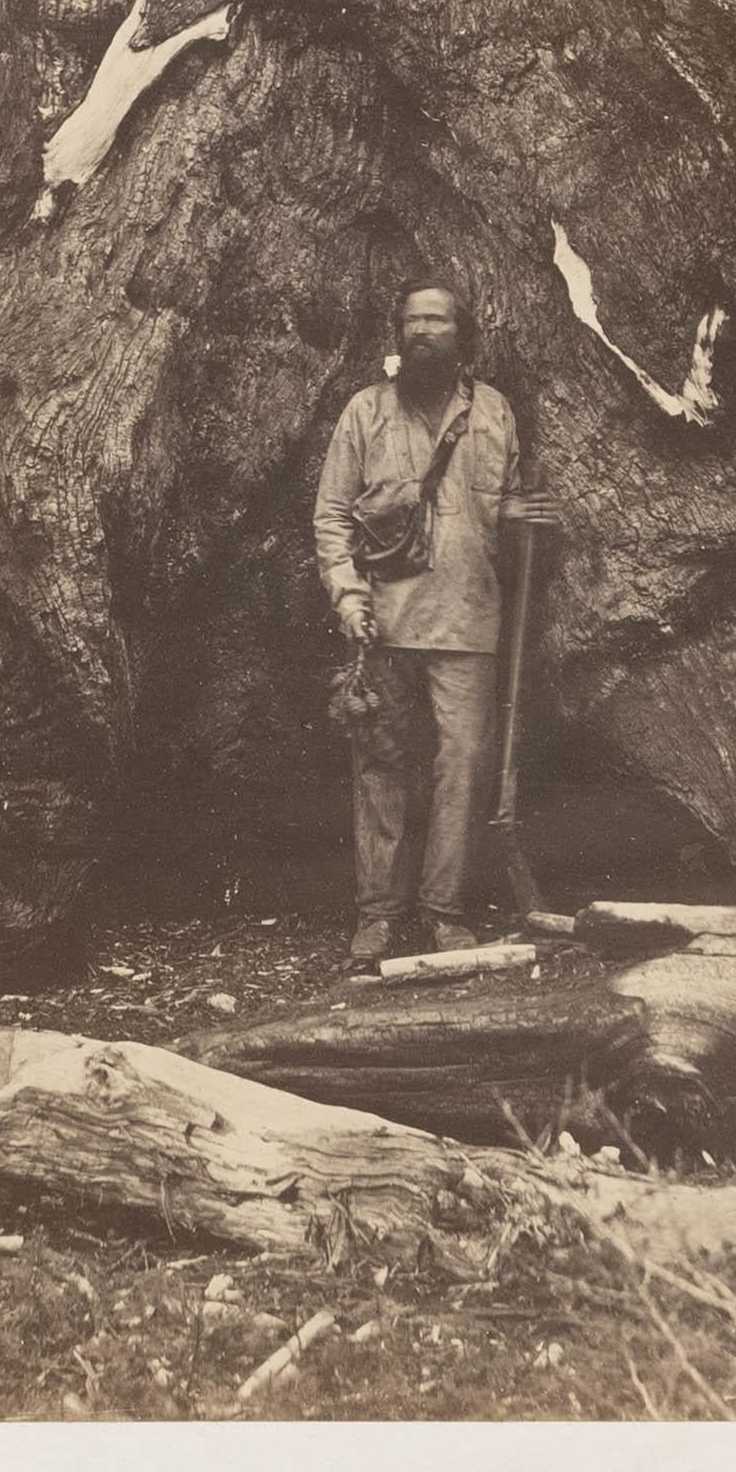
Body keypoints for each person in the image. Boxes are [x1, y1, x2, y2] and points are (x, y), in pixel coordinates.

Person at [307, 280, 529, 973]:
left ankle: (444, 912)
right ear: (396, 332)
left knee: (462, 766)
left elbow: (509, 513)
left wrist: (528, 522)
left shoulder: (493, 411)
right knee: (382, 769)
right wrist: (345, 595)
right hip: (383, 623)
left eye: (436, 319)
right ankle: (379, 914)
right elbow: (332, 515)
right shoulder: (365, 411)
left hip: (469, 620)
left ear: (462, 333)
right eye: (411, 320)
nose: (422, 331)